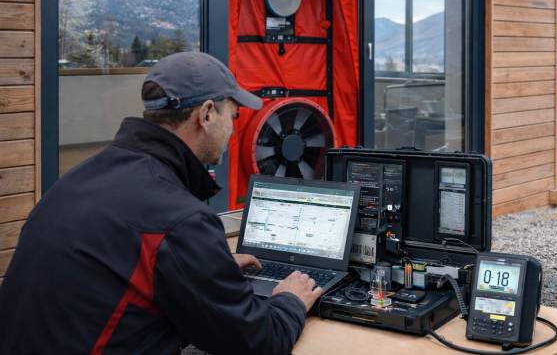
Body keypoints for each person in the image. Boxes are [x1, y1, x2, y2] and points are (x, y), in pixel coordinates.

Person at [0, 52, 322, 354]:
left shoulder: (80, 179)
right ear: (207, 114)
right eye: (233, 116)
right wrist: (289, 301)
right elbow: (259, 340)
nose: (233, 131)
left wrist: (206, 271)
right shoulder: (178, 219)